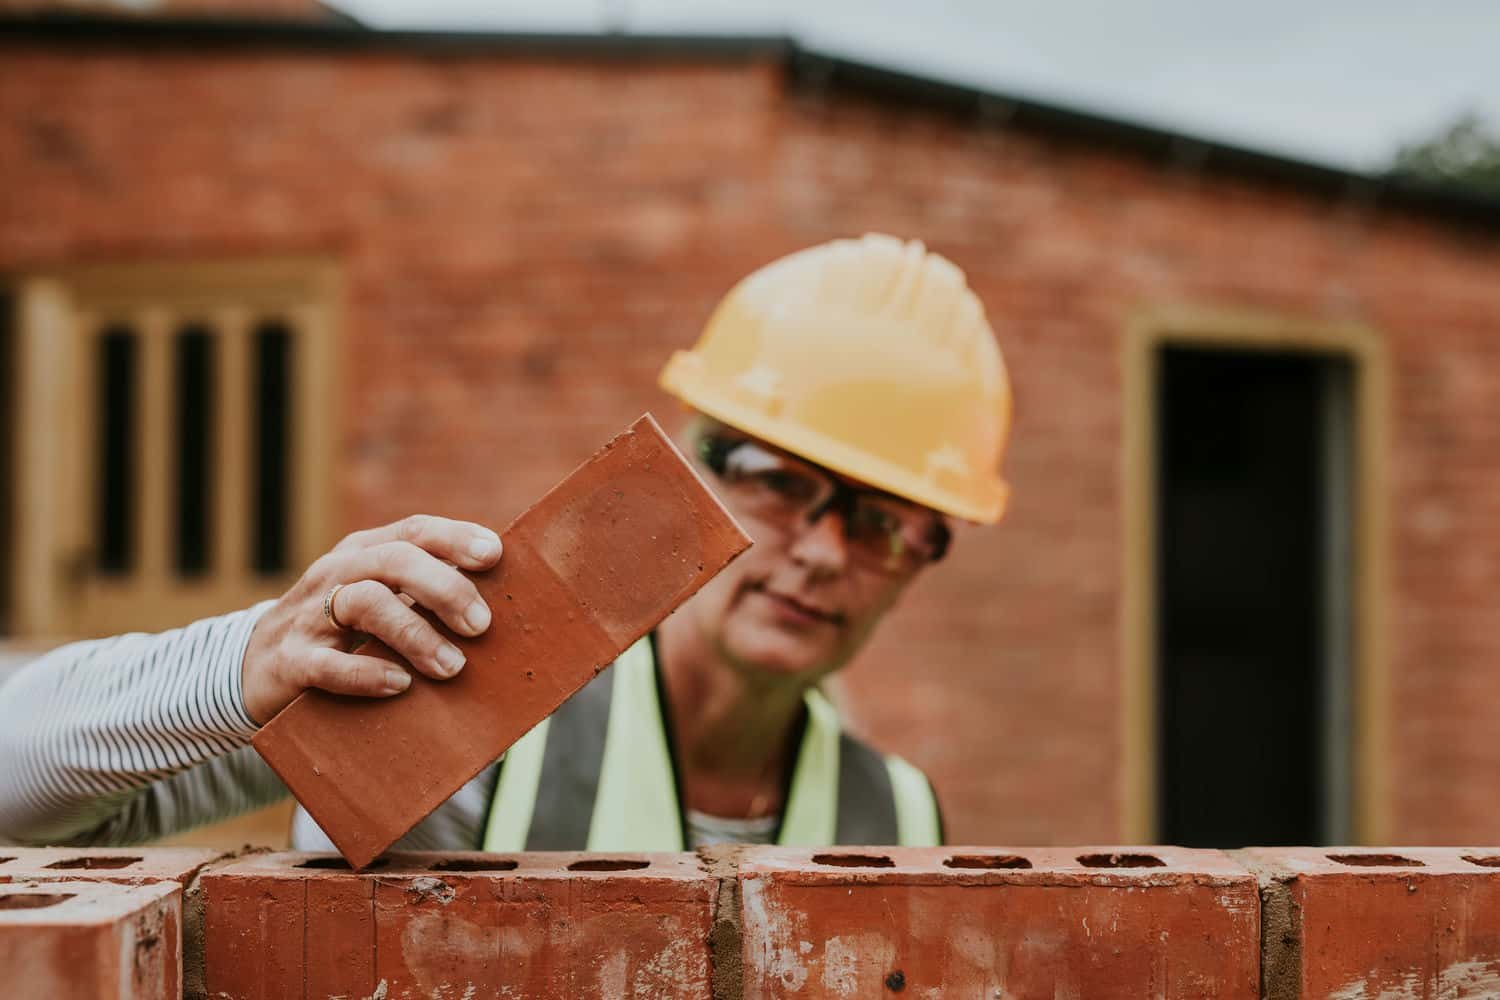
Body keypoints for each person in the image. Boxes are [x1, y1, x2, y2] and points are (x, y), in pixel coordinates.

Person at [0, 233, 1011, 851]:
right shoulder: (485, 691)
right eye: (781, 483)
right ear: (694, 466)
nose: (825, 553)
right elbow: (17, 793)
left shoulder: (899, 820)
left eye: (884, 524)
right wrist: (245, 665)